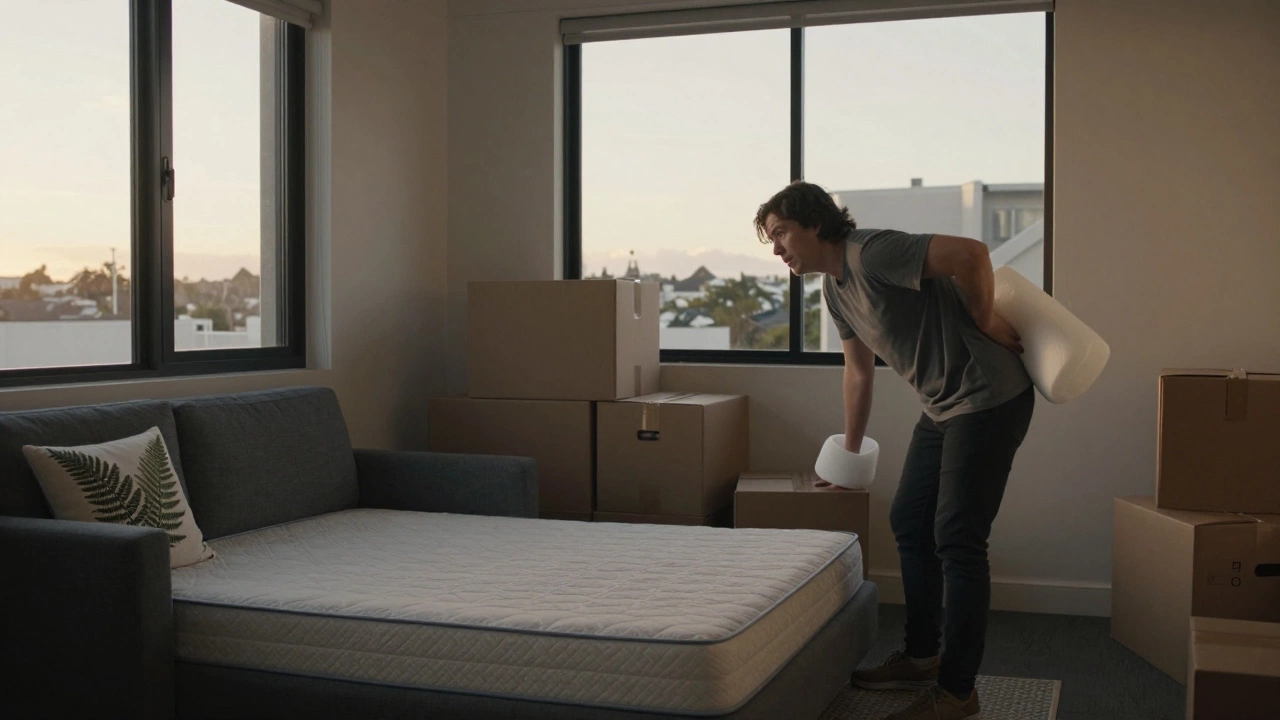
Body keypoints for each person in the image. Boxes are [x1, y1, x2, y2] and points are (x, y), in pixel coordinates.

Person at [754, 181, 1035, 720]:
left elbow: (971, 254)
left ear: (815, 223)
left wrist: (982, 319)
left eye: (782, 233)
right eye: (770, 239)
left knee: (958, 538)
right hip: (942, 408)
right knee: (910, 522)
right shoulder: (835, 291)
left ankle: (958, 691)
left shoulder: (871, 252)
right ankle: (923, 654)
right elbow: (858, 374)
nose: (777, 249)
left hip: (989, 398)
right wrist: (848, 459)